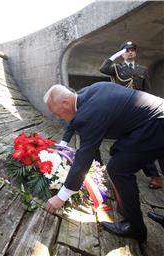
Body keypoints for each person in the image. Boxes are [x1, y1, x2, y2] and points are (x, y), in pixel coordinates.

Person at [43, 82, 164, 243]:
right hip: (157, 115)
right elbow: (74, 119)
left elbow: (84, 157)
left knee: (118, 169)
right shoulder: (88, 92)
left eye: (56, 113)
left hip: (156, 124)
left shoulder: (90, 113)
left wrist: (61, 197)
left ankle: (135, 227)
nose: (57, 117)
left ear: (65, 103)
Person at [100, 40, 162, 189]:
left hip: (141, 111)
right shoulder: (116, 68)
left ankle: (154, 176)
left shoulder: (142, 69)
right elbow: (103, 68)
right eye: (127, 50)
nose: (130, 52)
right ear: (122, 53)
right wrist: (116, 55)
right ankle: (118, 172)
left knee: (143, 141)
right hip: (122, 110)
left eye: (133, 49)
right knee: (122, 142)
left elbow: (147, 90)